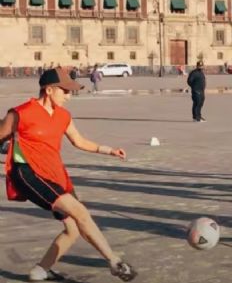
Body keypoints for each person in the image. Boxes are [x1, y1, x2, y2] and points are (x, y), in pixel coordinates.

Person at [1, 68, 136, 281]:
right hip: (29, 173)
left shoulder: (63, 116)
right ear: (49, 90)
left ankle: (40, 271)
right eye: (65, 91)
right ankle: (115, 261)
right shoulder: (20, 113)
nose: (69, 96)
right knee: (80, 211)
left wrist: (109, 150)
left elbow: (79, 141)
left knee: (73, 228)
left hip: (55, 173)